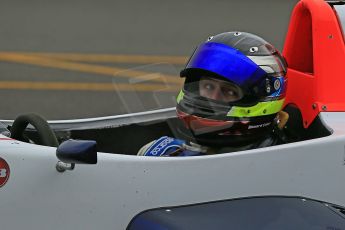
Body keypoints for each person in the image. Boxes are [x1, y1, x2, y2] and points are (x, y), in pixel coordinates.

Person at [138, 32, 288, 156]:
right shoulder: (157, 153)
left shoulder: (283, 165)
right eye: (208, 86)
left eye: (229, 91)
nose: (212, 98)